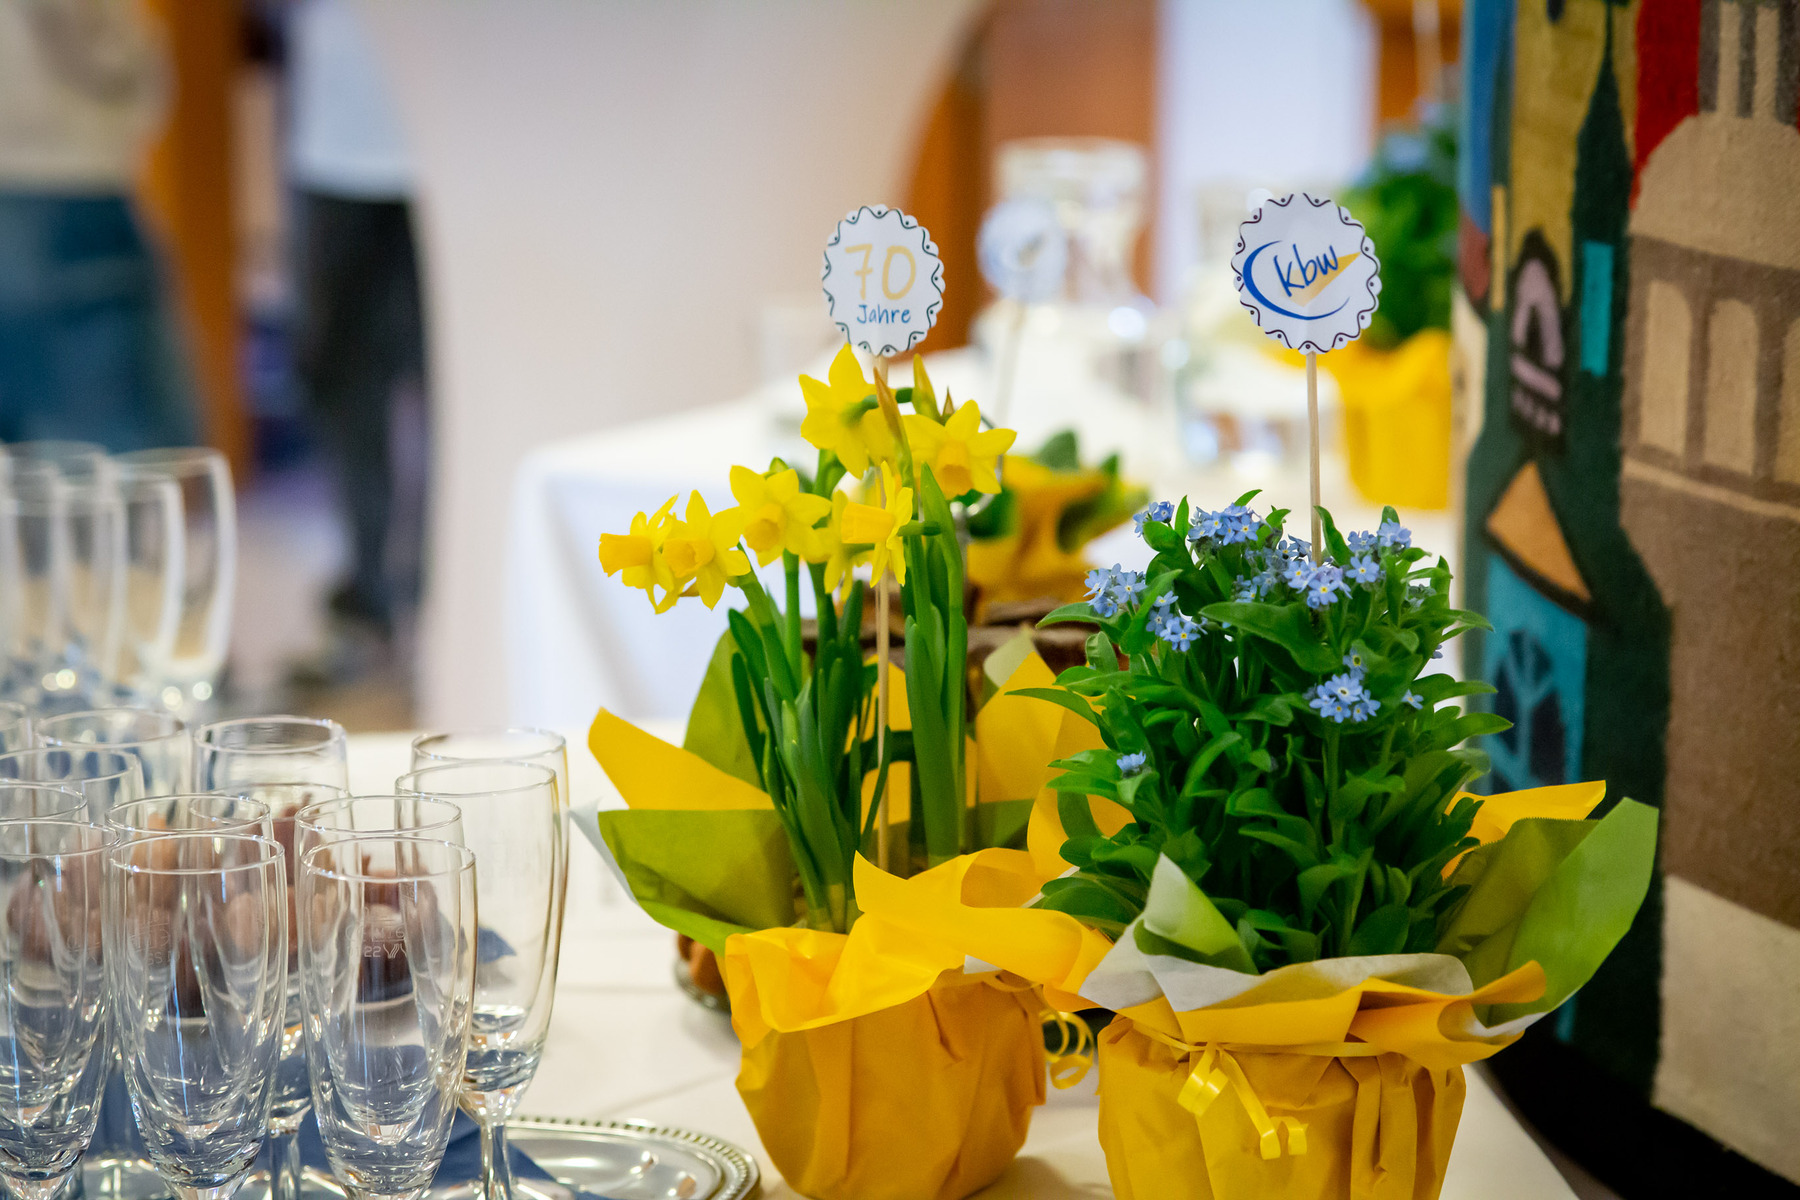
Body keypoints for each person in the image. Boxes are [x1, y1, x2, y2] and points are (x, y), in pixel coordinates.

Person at [286, 0, 427, 657]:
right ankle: (369, 593)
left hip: (452, 139)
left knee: (450, 388)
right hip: (333, 142)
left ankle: (432, 593)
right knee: (341, 378)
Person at [0, 0, 198, 449]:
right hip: (61, 189)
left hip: (46, 190)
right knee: (130, 467)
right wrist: (135, 74)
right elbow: (101, 49)